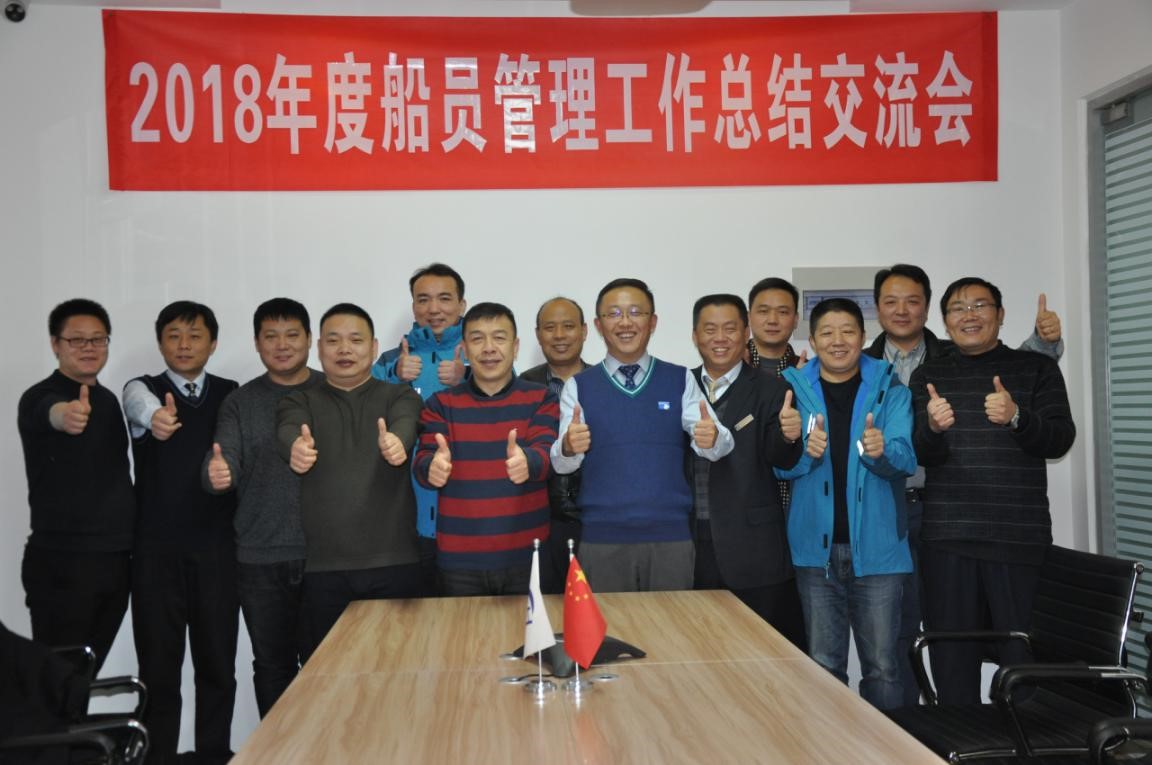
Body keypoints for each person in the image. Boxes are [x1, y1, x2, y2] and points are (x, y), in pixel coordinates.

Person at [865, 263, 1065, 707]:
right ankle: (958, 737)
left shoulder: (1036, 369)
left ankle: (1027, 738)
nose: (969, 315)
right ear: (945, 319)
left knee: (1023, 652)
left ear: (1000, 314)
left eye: (979, 306)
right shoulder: (929, 375)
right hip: (948, 535)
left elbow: (1059, 439)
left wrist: (1017, 417)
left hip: (1018, 536)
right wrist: (934, 429)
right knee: (951, 653)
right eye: (958, 308)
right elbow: (922, 452)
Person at [550, 278, 733, 592]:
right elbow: (561, 463)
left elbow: (720, 445)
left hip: (670, 538)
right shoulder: (579, 386)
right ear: (598, 325)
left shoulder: (679, 379)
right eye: (614, 313)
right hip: (601, 539)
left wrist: (712, 437)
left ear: (653, 322)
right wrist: (568, 447)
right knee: (607, 625)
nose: (625, 322)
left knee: (670, 624)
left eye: (635, 312)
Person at [777, 298, 915, 710]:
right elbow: (778, 468)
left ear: (863, 336)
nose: (838, 341)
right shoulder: (792, 390)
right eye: (827, 332)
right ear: (812, 339)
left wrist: (880, 452)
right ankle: (827, 743)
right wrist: (803, 452)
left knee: (883, 668)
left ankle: (889, 743)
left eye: (848, 331)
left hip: (879, 552)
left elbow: (907, 460)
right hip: (814, 554)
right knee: (823, 665)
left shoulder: (891, 388)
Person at [123, 300, 238, 765]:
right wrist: (156, 418)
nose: (184, 344)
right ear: (160, 343)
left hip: (218, 552)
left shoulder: (231, 394)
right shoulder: (143, 389)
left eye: (195, 335)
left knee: (218, 669)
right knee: (158, 672)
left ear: (213, 343)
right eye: (173, 335)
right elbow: (139, 406)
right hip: (156, 555)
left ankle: (214, 756)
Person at [279, 303, 423, 659]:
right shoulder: (299, 400)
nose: (344, 349)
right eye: (334, 341)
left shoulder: (400, 395)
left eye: (356, 340)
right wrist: (295, 447)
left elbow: (406, 422)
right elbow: (288, 428)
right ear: (319, 348)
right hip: (325, 569)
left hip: (394, 563)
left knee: (399, 669)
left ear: (374, 348)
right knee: (325, 673)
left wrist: (397, 442)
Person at [200, 298, 322, 718]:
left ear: (309, 339)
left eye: (292, 335)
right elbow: (224, 455)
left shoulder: (331, 390)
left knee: (329, 668)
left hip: (325, 556)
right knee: (272, 667)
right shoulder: (240, 401)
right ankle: (279, 749)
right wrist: (218, 472)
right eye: (271, 336)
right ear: (256, 343)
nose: (282, 345)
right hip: (260, 559)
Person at [17, 299, 134, 673]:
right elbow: (49, 412)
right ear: (55, 344)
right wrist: (65, 415)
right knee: (56, 680)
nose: (88, 348)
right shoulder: (39, 396)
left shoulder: (108, 401)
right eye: (77, 340)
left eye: (97, 339)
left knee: (83, 678)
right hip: (62, 563)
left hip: (114, 560)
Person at [413, 302, 558, 596]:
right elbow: (424, 461)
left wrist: (528, 461)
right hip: (459, 562)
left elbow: (547, 456)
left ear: (515, 347)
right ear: (465, 350)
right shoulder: (440, 404)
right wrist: (432, 468)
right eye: (478, 339)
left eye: (499, 338)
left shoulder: (541, 398)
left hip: (527, 558)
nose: (489, 348)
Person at [688, 294, 806, 648]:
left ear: (745, 333)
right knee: (698, 652)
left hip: (753, 547)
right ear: (695, 336)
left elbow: (782, 459)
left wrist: (789, 436)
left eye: (730, 329)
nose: (720, 338)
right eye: (710, 329)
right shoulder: (680, 386)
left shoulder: (773, 389)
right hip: (690, 543)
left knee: (762, 654)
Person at [372, 263, 468, 594]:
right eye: (423, 299)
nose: (434, 309)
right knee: (415, 617)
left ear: (462, 305)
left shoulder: (481, 354)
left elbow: (509, 397)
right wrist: (394, 376)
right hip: (406, 519)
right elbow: (362, 411)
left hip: (469, 515)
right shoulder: (389, 360)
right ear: (413, 306)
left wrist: (468, 378)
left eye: (445, 298)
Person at [520, 296, 589, 593]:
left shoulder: (602, 383)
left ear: (584, 331)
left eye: (568, 326)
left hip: (592, 521)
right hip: (537, 519)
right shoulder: (522, 386)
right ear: (538, 335)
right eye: (550, 328)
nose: (559, 336)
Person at [746, 277, 806, 373]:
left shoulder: (810, 373)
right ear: (749, 317)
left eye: (783, 312)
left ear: (795, 319)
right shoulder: (729, 365)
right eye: (763, 311)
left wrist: (801, 382)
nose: (772, 320)